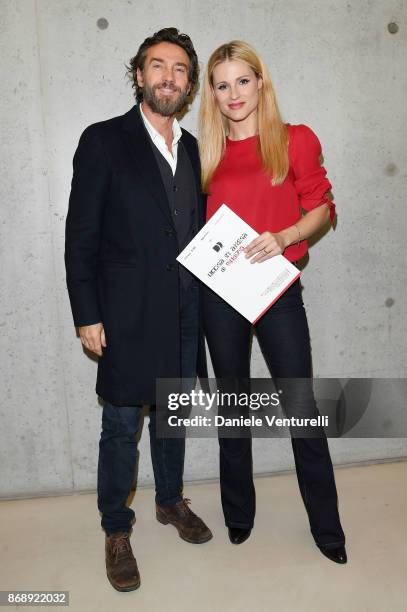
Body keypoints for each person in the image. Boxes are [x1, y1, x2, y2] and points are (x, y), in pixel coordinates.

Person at [65, 27, 212, 593]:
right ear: (139, 76)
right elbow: (81, 237)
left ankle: (171, 502)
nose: (168, 77)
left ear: (189, 85)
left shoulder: (195, 148)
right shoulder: (103, 141)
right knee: (122, 427)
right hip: (124, 315)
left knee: (172, 419)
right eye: (158, 66)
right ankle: (115, 528)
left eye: (178, 69)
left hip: (182, 311)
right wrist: (87, 313)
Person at [198, 40, 347, 564]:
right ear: (211, 94)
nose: (234, 93)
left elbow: (322, 208)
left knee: (301, 409)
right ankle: (238, 516)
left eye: (243, 80)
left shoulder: (295, 140)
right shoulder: (205, 153)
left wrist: (283, 237)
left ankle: (327, 530)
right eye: (222, 84)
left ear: (261, 82)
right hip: (221, 299)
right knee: (233, 408)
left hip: (278, 292)